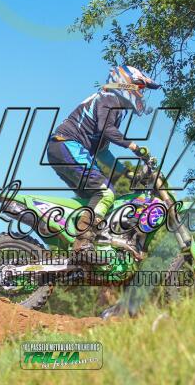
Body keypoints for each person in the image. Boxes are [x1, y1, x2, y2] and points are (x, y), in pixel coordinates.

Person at [46, 65, 160, 262]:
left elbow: (102, 152)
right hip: (67, 145)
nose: (141, 93)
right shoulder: (108, 98)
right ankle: (82, 242)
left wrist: (128, 174)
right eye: (139, 87)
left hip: (64, 149)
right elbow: (106, 129)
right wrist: (133, 146)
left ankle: (76, 245)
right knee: (105, 193)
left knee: (96, 200)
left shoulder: (114, 107)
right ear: (125, 83)